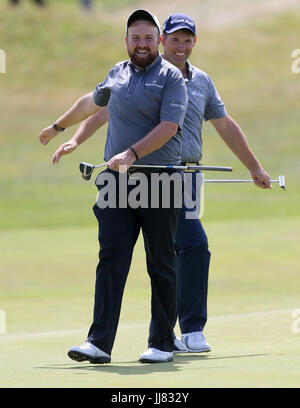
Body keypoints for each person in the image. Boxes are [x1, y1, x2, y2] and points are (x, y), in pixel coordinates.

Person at [50, 13, 272, 355]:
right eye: (174, 39)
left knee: (179, 251)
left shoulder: (189, 81)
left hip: (174, 176)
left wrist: (255, 166)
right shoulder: (123, 74)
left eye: (187, 40)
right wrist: (68, 135)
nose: (180, 45)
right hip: (125, 176)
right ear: (161, 41)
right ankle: (102, 342)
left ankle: (181, 333)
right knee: (117, 256)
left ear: (190, 43)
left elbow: (218, 125)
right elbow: (101, 108)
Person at [39, 9, 188, 364]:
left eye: (148, 38)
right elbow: (91, 103)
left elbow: (169, 127)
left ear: (159, 42)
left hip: (160, 180)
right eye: (135, 38)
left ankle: (162, 343)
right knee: (111, 260)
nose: (142, 44)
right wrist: (60, 129)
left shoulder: (172, 78)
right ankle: (99, 342)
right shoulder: (116, 73)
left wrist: (132, 153)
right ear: (126, 41)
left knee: (161, 263)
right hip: (117, 183)